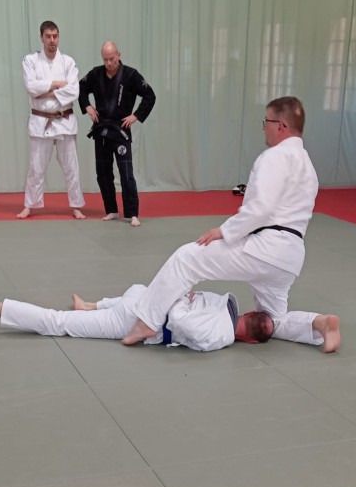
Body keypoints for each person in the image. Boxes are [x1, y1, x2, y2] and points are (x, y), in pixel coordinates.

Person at [122, 96, 340, 353]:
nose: (264, 128)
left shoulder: (275, 156)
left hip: (266, 248)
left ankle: (147, 322)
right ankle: (319, 324)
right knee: (273, 319)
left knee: (186, 258)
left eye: (266, 122)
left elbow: (260, 209)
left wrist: (224, 232)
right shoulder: (307, 165)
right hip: (289, 257)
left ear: (281, 126)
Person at [0, 286, 274, 351]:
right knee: (58, 322)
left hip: (142, 295)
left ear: (248, 313)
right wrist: (179, 304)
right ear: (249, 339)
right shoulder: (222, 335)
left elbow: (188, 294)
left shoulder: (226, 302)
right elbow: (181, 323)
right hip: (138, 321)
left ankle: (90, 305)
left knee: (129, 299)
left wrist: (180, 297)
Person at [79, 41, 156, 226]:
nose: (108, 63)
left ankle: (132, 213)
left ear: (118, 55)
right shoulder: (96, 74)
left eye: (111, 59)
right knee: (103, 173)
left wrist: (136, 116)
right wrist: (86, 106)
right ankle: (111, 210)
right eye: (105, 59)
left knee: (126, 174)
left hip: (121, 131)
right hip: (101, 131)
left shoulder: (131, 75)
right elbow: (80, 88)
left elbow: (150, 95)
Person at [17, 21, 85, 220]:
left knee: (72, 167)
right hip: (41, 121)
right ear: (41, 38)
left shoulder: (68, 62)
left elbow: (74, 91)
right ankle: (29, 205)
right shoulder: (31, 60)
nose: (52, 40)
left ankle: (76, 205)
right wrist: (56, 84)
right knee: (36, 167)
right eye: (48, 36)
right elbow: (31, 87)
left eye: (55, 36)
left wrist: (45, 91)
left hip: (65, 120)